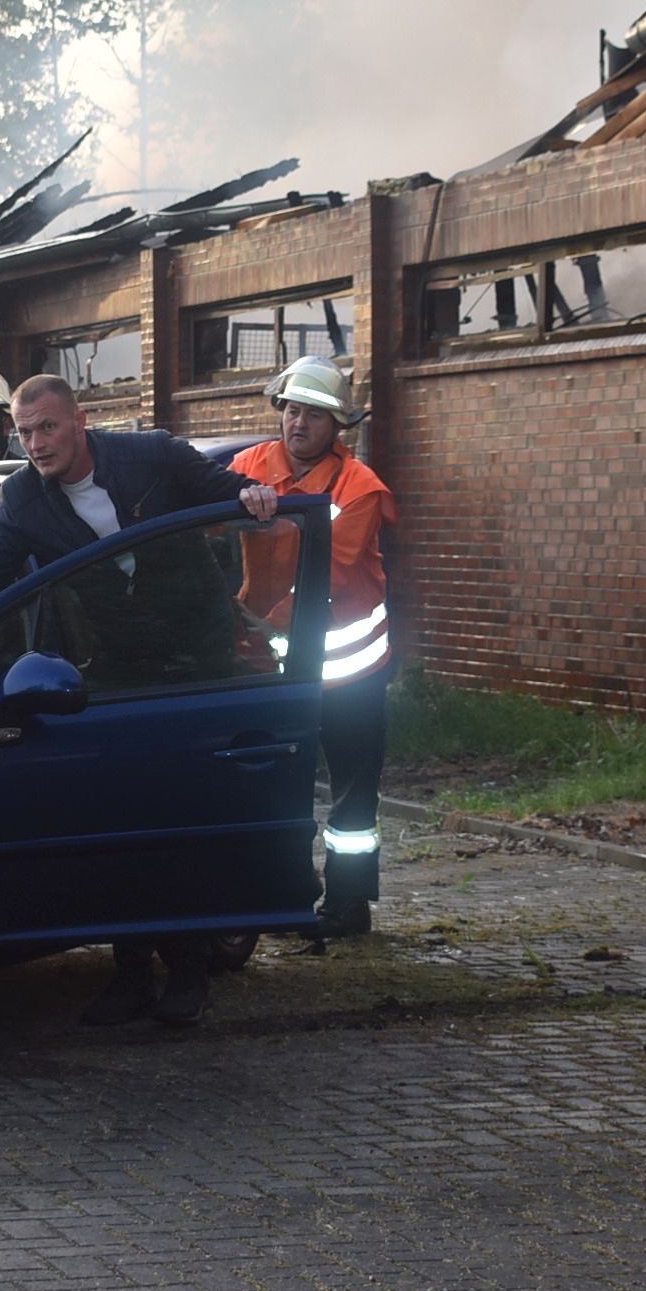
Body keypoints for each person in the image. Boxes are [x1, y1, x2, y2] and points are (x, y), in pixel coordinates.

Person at [0, 375, 281, 1029]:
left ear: (80, 421)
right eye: (25, 433)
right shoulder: (24, 499)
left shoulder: (155, 457)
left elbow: (231, 496)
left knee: (185, 820)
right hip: (117, 674)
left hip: (198, 665)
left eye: (47, 428)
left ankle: (192, 971)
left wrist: (254, 496)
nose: (35, 444)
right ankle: (132, 975)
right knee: (126, 819)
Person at [230, 357, 399, 935]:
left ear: (337, 426)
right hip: (274, 664)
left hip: (351, 669)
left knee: (352, 795)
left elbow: (332, 574)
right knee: (278, 786)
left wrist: (254, 622)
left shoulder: (360, 489)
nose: (298, 424)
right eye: (292, 410)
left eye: (314, 415)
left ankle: (347, 907)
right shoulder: (247, 467)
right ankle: (286, 899)